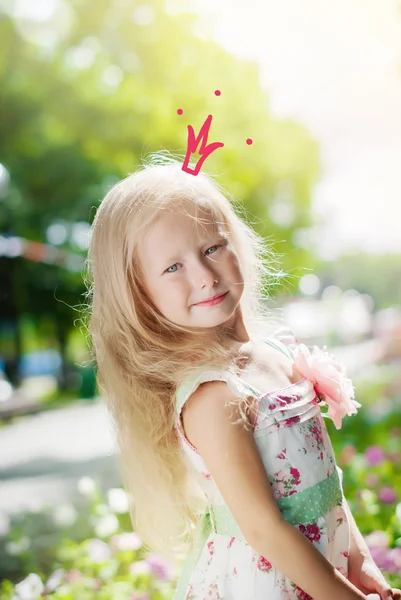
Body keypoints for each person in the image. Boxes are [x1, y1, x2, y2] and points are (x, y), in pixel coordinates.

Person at [85, 153, 400, 600]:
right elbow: (264, 528)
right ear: (141, 296)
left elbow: (326, 484)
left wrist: (361, 561)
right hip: (270, 580)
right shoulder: (215, 396)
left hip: (323, 566)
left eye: (212, 247)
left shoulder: (274, 355)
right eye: (173, 268)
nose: (205, 276)